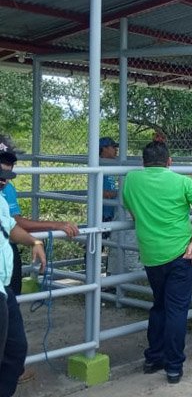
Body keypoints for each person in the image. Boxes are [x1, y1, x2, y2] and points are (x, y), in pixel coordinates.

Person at [122, 140, 192, 384]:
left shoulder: (131, 180)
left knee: (159, 305)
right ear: (169, 161)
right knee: (176, 310)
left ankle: (154, 357)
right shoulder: (182, 181)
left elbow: (132, 211)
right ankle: (173, 367)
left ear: (143, 162)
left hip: (151, 254)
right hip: (181, 254)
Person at [0, 135, 79, 297]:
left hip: (6, 252)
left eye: (9, 167)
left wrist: (34, 240)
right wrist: (54, 225)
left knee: (12, 304)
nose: (4, 180)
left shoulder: (5, 193)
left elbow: (12, 223)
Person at [0, 168, 47, 396]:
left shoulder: (0, 199)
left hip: (2, 287)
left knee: (16, 349)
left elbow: (9, 226)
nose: (5, 181)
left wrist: (34, 242)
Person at [99, 137, 120, 222]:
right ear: (104, 148)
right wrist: (117, 194)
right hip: (103, 213)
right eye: (113, 147)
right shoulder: (98, 166)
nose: (116, 150)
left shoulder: (114, 165)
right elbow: (97, 192)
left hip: (114, 211)